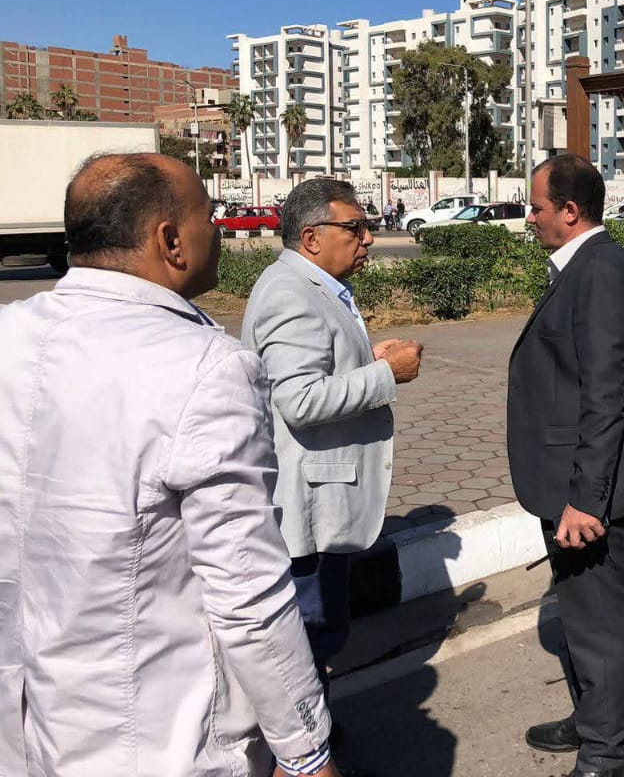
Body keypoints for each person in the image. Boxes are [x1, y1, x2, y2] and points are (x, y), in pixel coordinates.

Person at [0, 154, 337, 777]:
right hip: (157, 739)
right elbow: (247, 594)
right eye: (209, 215)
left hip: (28, 733)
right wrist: (306, 751)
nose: (219, 229)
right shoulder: (206, 368)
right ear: (171, 241)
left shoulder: (10, 333)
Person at [508, 154, 624, 777]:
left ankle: (604, 756)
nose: (530, 217)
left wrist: (585, 499)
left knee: (597, 623)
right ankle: (591, 719)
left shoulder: (600, 271)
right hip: (568, 479)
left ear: (570, 211)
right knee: (578, 614)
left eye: (537, 207)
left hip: (585, 489)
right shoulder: (583, 265)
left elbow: (605, 396)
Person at [241, 179, 423, 713]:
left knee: (318, 639)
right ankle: (303, 747)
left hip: (323, 502)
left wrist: (368, 361)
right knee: (310, 639)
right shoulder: (290, 293)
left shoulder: (310, 284)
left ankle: (312, 735)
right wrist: (385, 375)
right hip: (310, 508)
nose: (368, 238)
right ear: (311, 237)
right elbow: (300, 400)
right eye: (355, 227)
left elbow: (315, 372)